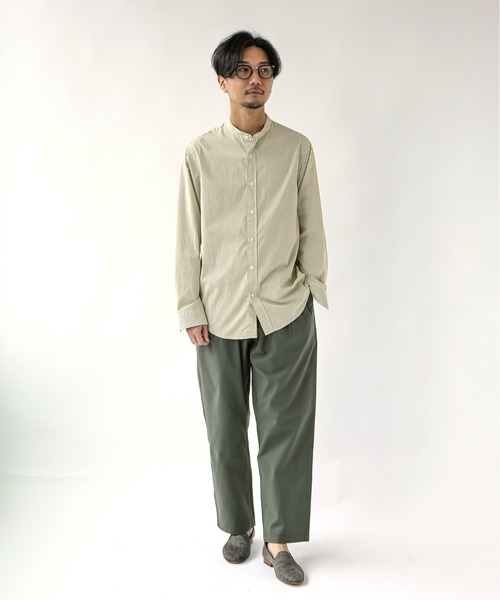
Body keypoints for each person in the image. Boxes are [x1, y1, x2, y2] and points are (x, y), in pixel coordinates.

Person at [175, 30, 328, 586]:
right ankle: (239, 525)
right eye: (242, 70)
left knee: (285, 429)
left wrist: (310, 288)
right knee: (224, 427)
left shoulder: (297, 149)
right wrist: (190, 307)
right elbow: (187, 237)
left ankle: (279, 541)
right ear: (223, 81)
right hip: (218, 315)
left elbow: (311, 224)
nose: (254, 80)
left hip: (285, 311)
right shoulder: (199, 154)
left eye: (264, 70)